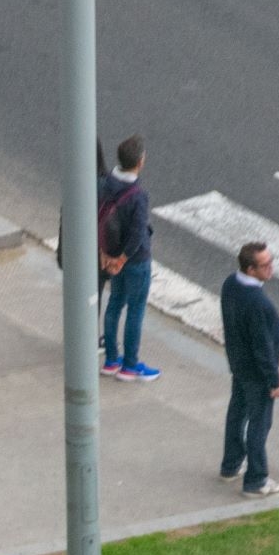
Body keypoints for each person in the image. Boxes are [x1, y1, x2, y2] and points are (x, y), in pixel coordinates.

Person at [219, 241, 279, 498]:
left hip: (238, 363)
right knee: (260, 423)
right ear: (250, 269)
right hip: (257, 373)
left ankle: (231, 464)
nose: (271, 268)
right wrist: (274, 382)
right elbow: (263, 347)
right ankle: (257, 480)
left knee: (237, 413)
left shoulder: (230, 284)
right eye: (265, 265)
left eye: (271, 261)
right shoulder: (258, 302)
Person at [99, 135, 158, 381]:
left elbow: (98, 219)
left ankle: (112, 359)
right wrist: (122, 258)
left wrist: (106, 255)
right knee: (135, 310)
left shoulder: (104, 184)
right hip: (134, 260)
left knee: (114, 303)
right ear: (140, 162)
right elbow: (136, 235)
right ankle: (131, 366)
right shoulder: (137, 195)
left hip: (109, 254)